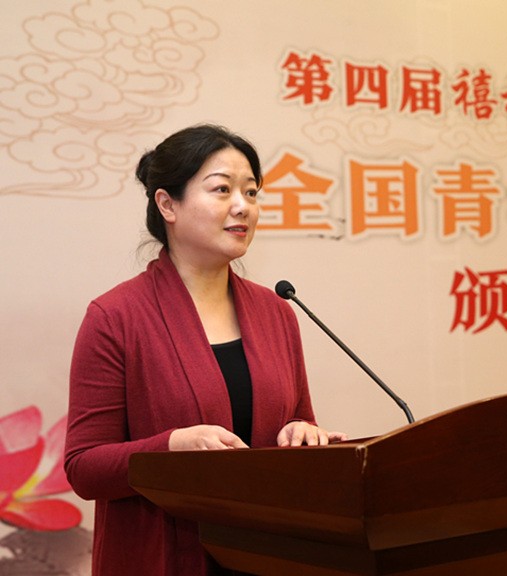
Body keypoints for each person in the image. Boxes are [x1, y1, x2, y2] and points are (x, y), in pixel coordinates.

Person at [64, 124, 346, 575]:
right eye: (222, 189)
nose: (243, 206)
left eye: (251, 192)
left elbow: (300, 419)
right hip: (163, 558)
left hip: (267, 555)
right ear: (167, 204)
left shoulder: (276, 311)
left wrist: (302, 433)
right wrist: (172, 445)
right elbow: (84, 467)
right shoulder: (116, 317)